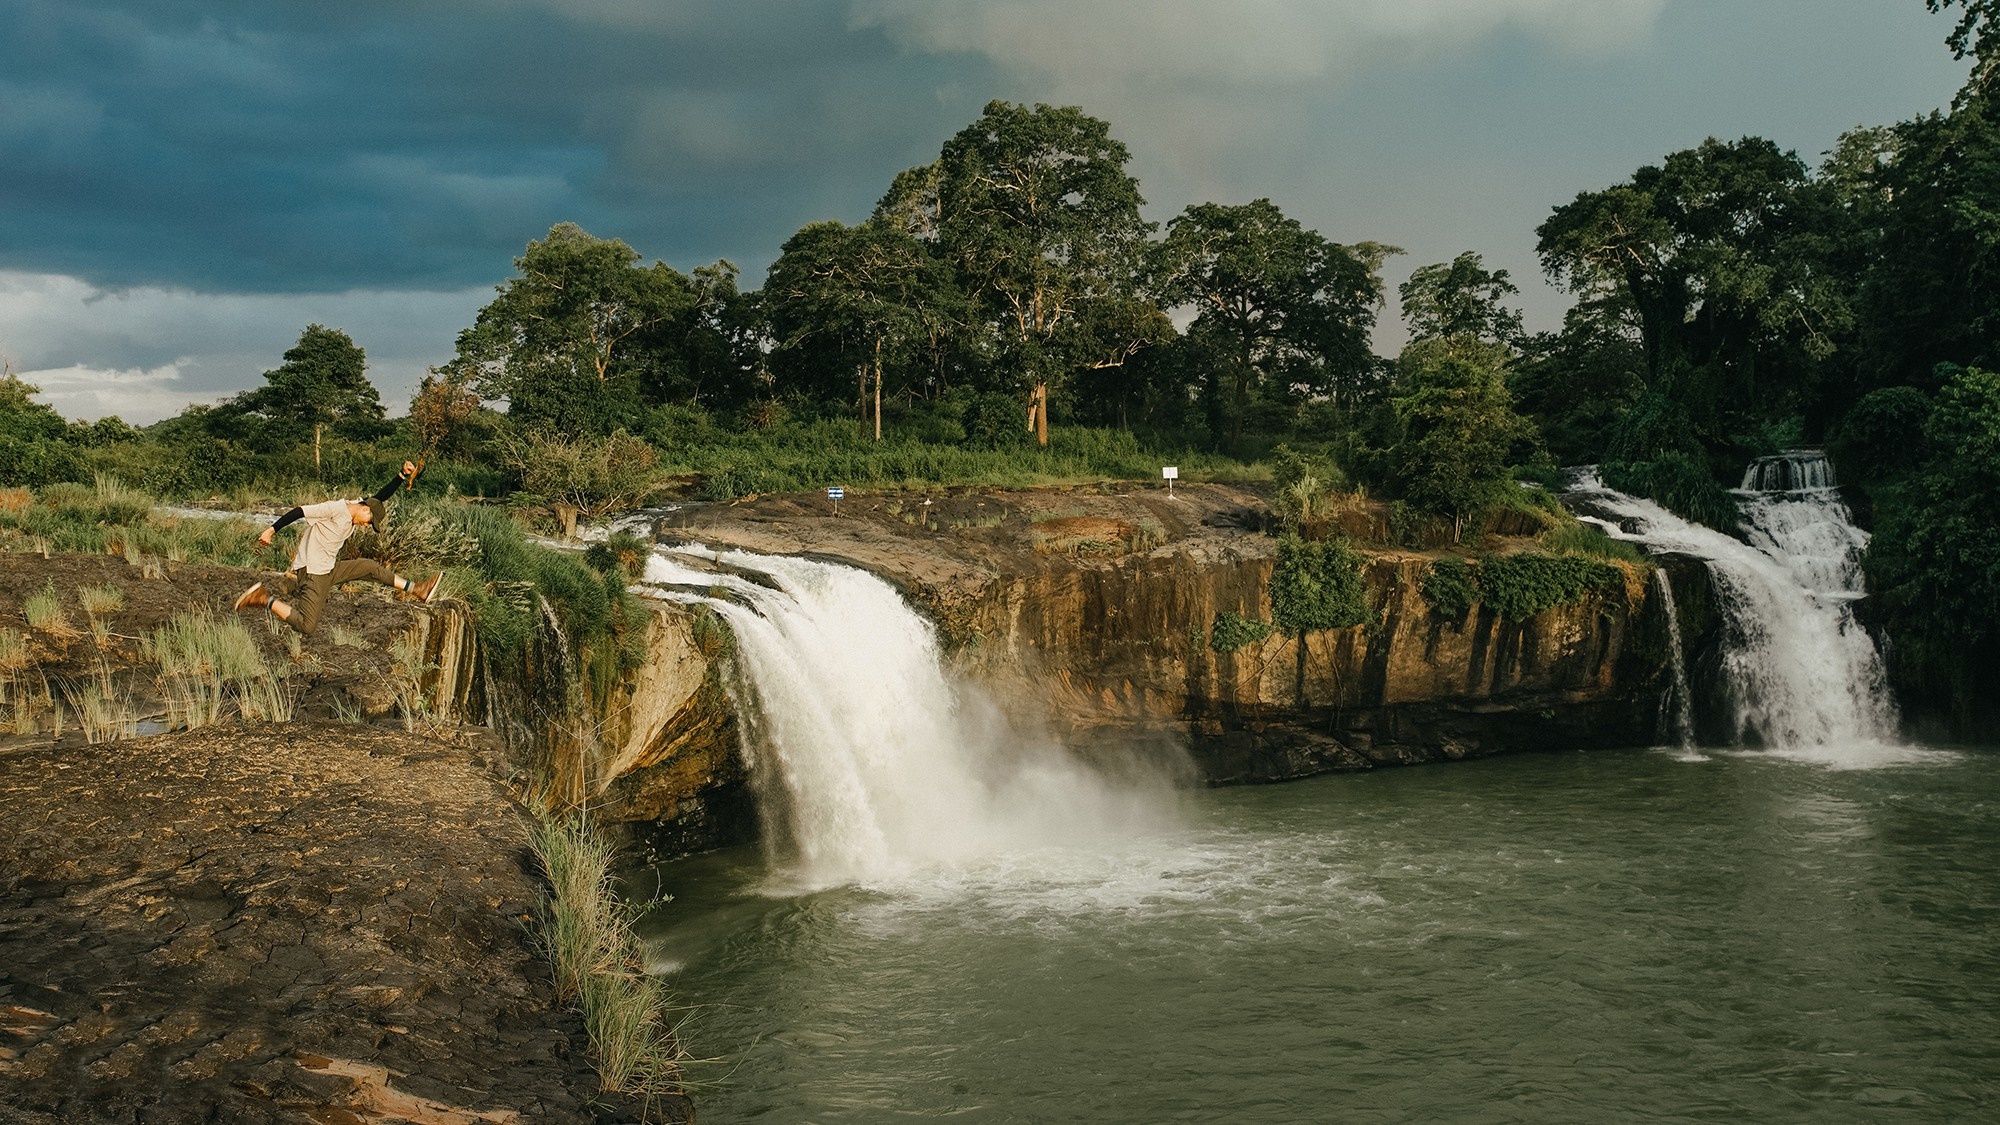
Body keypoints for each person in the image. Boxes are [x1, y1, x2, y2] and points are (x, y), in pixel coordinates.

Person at [233, 461, 441, 635]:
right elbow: (299, 511)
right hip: (313, 572)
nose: (367, 526)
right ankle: (262, 598)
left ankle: (418, 589)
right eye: (369, 521)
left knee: (369, 567)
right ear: (365, 509)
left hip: (328, 568)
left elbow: (380, 498)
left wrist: (402, 476)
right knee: (307, 625)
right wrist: (271, 530)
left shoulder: (357, 506)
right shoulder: (334, 509)